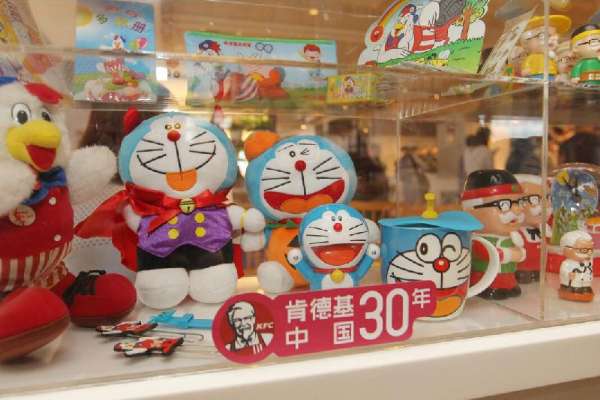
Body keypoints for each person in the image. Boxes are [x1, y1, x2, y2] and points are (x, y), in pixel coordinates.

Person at [559, 231, 594, 302]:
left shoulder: (588, 261)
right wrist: (568, 274)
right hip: (573, 282)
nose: (588, 253)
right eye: (584, 250)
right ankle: (574, 290)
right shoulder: (567, 263)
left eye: (590, 250)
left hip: (585, 280)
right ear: (567, 250)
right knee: (575, 284)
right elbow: (564, 270)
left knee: (586, 286)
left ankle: (586, 288)